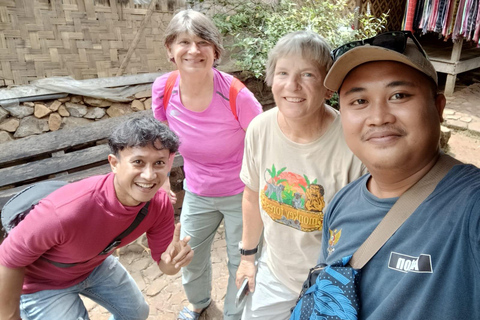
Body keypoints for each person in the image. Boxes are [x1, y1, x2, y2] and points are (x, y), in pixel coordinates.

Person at [320, 30, 480, 319]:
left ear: (438, 107)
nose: (379, 117)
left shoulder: (471, 207)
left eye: (399, 95)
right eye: (359, 101)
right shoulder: (339, 205)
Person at [0, 116, 194, 320]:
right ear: (114, 163)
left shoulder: (159, 203)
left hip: (94, 265)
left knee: (137, 313)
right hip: (43, 284)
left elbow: (164, 263)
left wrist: (173, 263)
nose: (149, 175)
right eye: (138, 162)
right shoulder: (65, 210)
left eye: (159, 163)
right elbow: (8, 258)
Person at [235, 30, 366, 319]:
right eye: (282, 73)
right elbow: (252, 194)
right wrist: (247, 258)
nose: (292, 85)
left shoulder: (352, 141)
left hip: (329, 285)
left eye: (307, 75)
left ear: (328, 87)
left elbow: (364, 226)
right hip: (275, 273)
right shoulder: (260, 129)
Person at [151, 9, 263, 320]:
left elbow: (264, 141)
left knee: (238, 259)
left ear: (215, 50)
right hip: (198, 190)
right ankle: (198, 303)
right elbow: (163, 140)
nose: (194, 50)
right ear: (170, 50)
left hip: (243, 194)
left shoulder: (235, 95)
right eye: (184, 42)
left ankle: (233, 314)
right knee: (190, 254)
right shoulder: (164, 88)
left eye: (203, 42)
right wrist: (162, 180)